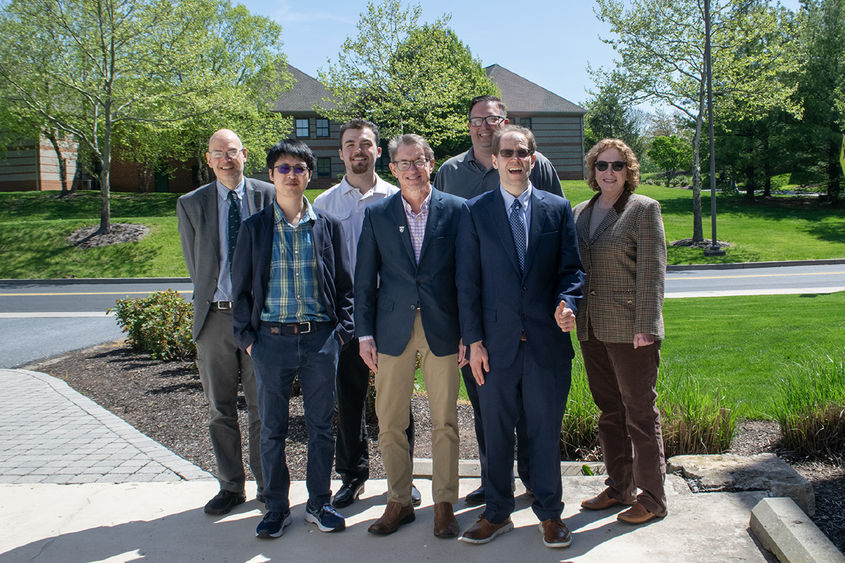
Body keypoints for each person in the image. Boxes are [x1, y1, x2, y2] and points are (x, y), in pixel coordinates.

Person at [456, 125, 584, 548]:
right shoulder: (474, 211)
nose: (514, 159)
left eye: (522, 152)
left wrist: (569, 302)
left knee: (544, 433)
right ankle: (496, 514)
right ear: (494, 160)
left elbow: (572, 270)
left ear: (533, 158)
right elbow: (467, 282)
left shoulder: (557, 208)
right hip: (494, 347)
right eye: (506, 152)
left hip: (547, 343)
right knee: (494, 434)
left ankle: (549, 514)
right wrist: (473, 340)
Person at [434, 95, 562, 506]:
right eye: (478, 120)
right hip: (485, 325)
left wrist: (567, 301)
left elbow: (560, 243)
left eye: (494, 119)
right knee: (489, 412)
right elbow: (457, 265)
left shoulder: (541, 176)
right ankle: (495, 487)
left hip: (537, 327)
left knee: (535, 416)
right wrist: (467, 333)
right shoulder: (451, 175)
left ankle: (533, 483)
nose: (485, 126)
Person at [231, 138, 353, 538]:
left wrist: (340, 333)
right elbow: (242, 289)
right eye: (283, 168)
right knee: (272, 428)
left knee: (320, 427)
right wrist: (248, 339)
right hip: (270, 341)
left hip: (320, 339)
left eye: (299, 168)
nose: (291, 175)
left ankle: (319, 503)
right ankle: (277, 507)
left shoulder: (327, 227)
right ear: (271, 175)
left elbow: (346, 287)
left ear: (309, 175)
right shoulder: (254, 228)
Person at [355, 134, 465, 538]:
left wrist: (469, 333)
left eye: (418, 161)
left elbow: (468, 278)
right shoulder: (378, 215)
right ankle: (398, 500)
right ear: (393, 169)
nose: (412, 169)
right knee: (389, 420)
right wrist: (363, 333)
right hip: (391, 330)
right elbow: (364, 281)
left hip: (443, 329)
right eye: (404, 163)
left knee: (445, 421)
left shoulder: (457, 211)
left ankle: (444, 504)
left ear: (431, 163)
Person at [312, 119, 420, 510]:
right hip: (345, 315)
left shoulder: (399, 197)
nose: (359, 150)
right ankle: (352, 476)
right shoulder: (323, 205)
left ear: (379, 152)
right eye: (351, 144)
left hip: (391, 312)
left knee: (397, 398)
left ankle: (403, 478)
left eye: (367, 144)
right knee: (351, 396)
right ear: (340, 153)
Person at [176, 129, 273, 515]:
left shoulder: (268, 195)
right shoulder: (191, 203)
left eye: (231, 152)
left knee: (263, 405)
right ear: (209, 158)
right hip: (215, 319)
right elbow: (193, 262)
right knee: (220, 407)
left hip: (261, 319)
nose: (225, 159)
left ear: (244, 154)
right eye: (218, 153)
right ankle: (231, 486)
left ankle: (269, 485)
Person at [571, 138, 668, 525]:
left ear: (629, 171)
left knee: (639, 414)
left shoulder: (643, 210)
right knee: (609, 412)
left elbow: (652, 273)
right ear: (592, 171)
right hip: (591, 327)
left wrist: (647, 325)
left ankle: (653, 497)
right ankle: (619, 487)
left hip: (631, 331)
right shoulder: (581, 212)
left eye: (617, 166)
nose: (609, 172)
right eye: (601, 166)